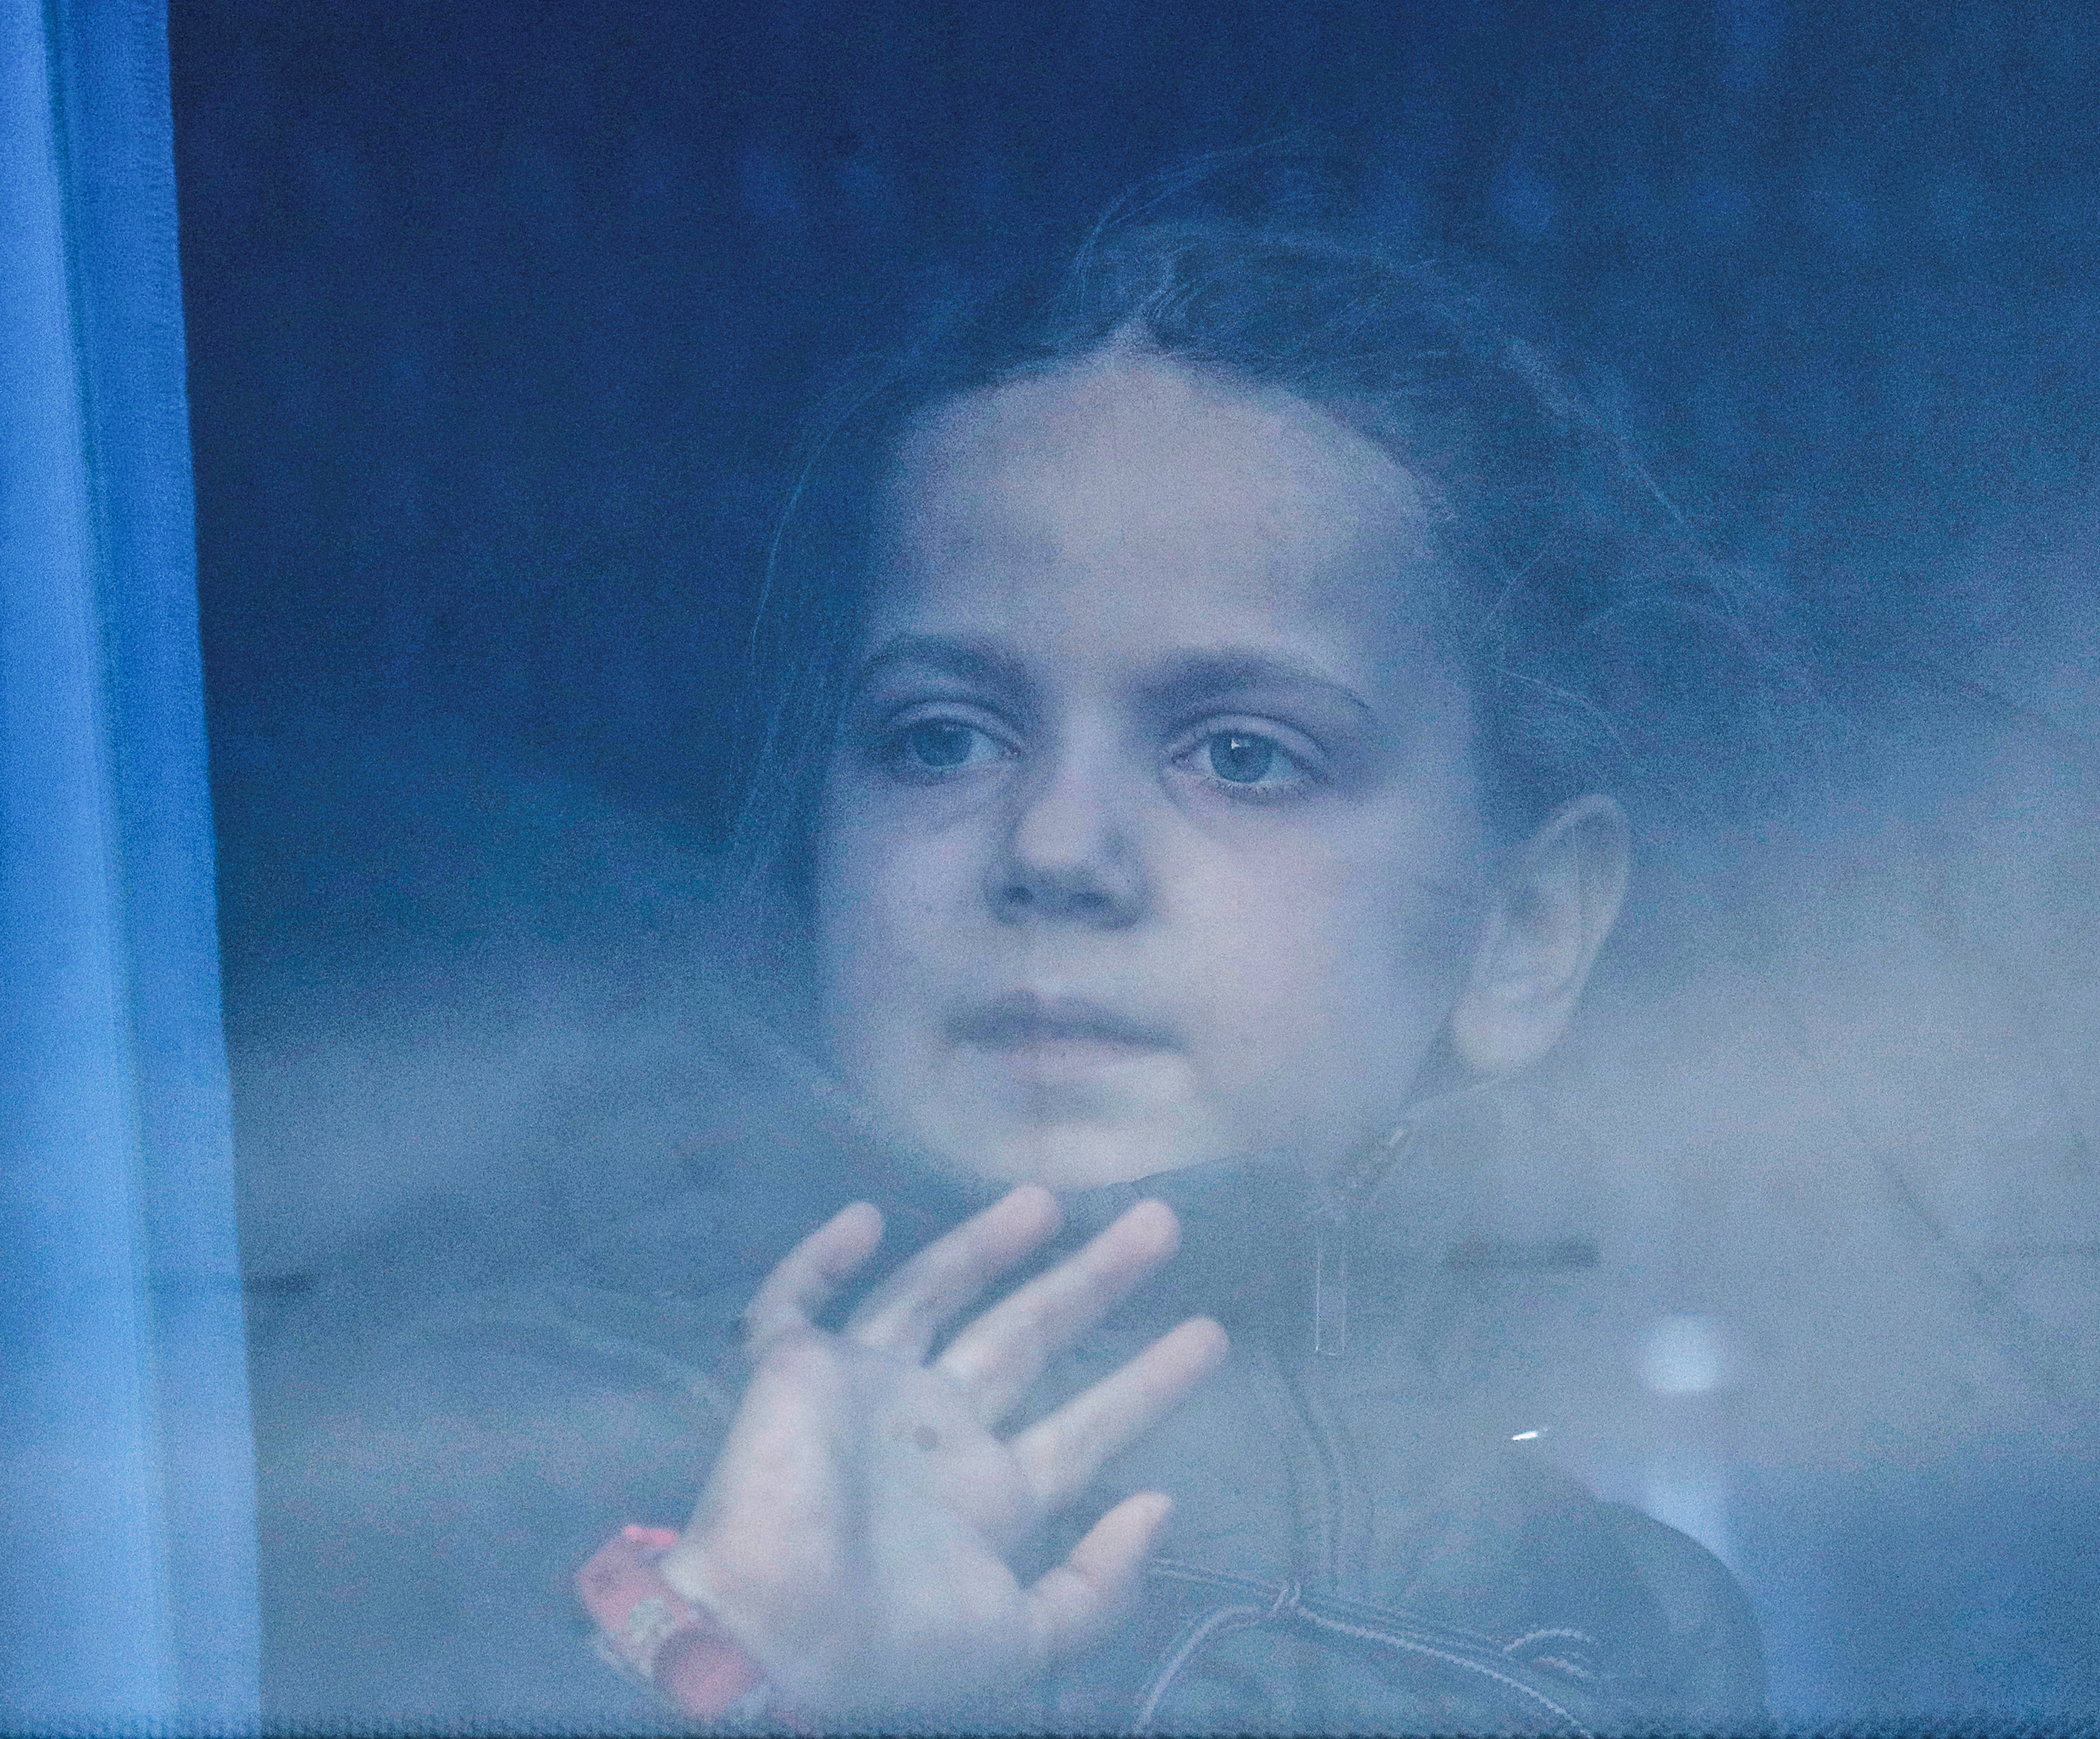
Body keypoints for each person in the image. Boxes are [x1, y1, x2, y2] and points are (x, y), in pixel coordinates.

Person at [256, 200, 1785, 1733]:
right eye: (943, 738)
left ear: (1525, 933)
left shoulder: (1618, 1628)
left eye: (1244, 755)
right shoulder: (484, 1468)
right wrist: (733, 1683)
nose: (1055, 848)